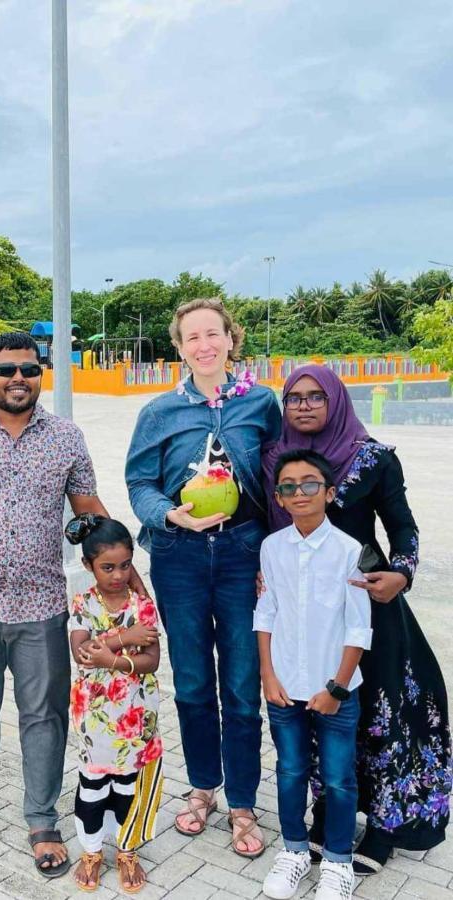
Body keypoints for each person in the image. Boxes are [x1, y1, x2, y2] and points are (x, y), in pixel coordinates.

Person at [0, 331, 133, 878]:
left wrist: (125, 577)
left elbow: (88, 508)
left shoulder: (66, 437)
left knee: (45, 716)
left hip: (43, 605)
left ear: (42, 375)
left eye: (30, 369)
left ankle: (42, 819)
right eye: (7, 369)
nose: (19, 378)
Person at [262, 365, 450, 875]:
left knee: (376, 716)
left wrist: (401, 576)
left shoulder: (374, 460)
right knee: (318, 711)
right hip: (305, 615)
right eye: (293, 397)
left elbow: (404, 531)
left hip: (366, 602)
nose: (303, 405)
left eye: (315, 396)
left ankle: (384, 828)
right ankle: (327, 816)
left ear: (336, 400)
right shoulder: (276, 459)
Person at [125, 297, 281, 858]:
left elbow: (280, 479)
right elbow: (139, 481)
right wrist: (170, 513)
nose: (204, 345)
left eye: (212, 334)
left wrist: (275, 557)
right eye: (192, 337)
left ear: (230, 339)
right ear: (180, 346)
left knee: (241, 686)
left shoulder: (262, 404)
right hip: (180, 558)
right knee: (191, 682)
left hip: (243, 555)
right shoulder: (160, 412)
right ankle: (202, 788)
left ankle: (242, 800)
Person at [256, 449, 372, 900]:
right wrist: (267, 674)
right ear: (280, 498)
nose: (298, 492)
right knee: (289, 770)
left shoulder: (351, 551)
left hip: (335, 691)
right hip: (284, 687)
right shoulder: (272, 547)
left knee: (340, 777)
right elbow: (265, 613)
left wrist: (337, 687)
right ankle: (294, 851)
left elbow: (358, 625)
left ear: (329, 492)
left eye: (309, 484)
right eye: (288, 486)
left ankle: (338, 862)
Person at [65, 515, 163, 894]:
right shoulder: (83, 603)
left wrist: (113, 658)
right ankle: (90, 851)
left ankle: (126, 850)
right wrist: (124, 638)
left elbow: (152, 661)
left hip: (136, 713)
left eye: (125, 565)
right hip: (96, 716)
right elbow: (82, 653)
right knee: (93, 784)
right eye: (107, 567)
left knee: (127, 785)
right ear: (89, 566)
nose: (118, 575)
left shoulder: (143, 606)